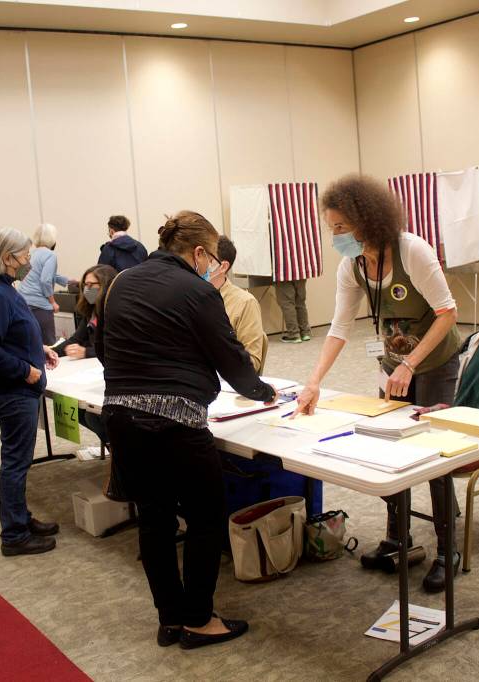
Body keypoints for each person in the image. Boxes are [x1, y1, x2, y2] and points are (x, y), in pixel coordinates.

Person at [96, 211, 276, 650]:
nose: (214, 265)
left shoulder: (120, 282)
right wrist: (266, 393)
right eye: (213, 257)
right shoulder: (199, 291)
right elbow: (234, 363)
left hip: (120, 417)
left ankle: (170, 619)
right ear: (199, 253)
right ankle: (199, 619)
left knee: (154, 519)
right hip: (175, 424)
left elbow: (104, 349)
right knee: (204, 518)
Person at [293, 174, 463, 594]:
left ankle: (447, 551)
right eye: (331, 227)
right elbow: (338, 328)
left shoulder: (412, 251)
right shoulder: (351, 265)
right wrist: (313, 381)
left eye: (339, 227)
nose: (335, 236)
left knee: (433, 455)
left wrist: (411, 365)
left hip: (435, 361)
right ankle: (397, 540)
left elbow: (447, 313)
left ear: (366, 221)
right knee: (389, 448)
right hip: (392, 364)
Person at [0, 227, 62, 556]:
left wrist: (38, 349)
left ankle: (21, 518)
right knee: (16, 462)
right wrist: (27, 370)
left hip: (15, 383)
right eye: (24, 256)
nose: (28, 261)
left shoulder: (3, 289)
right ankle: (14, 534)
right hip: (10, 389)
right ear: (7, 258)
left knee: (17, 460)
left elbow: (10, 333)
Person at [50, 264, 117, 459]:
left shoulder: (115, 311)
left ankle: (119, 450)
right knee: (78, 410)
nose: (87, 289)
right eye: (85, 284)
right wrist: (51, 352)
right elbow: (74, 340)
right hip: (92, 375)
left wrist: (86, 352)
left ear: (105, 285)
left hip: (109, 376)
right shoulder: (91, 312)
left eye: (92, 284)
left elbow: (114, 347)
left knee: (90, 414)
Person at [206, 236, 266, 372]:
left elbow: (253, 362)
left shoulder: (244, 303)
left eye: (207, 260)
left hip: (223, 380)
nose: (199, 266)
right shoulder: (189, 296)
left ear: (223, 266)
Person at [17, 223, 73, 346]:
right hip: (40, 305)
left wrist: (67, 281)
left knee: (33, 342)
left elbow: (37, 274)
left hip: (24, 301)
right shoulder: (50, 255)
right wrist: (52, 302)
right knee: (49, 343)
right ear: (52, 239)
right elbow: (45, 280)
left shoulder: (31, 254)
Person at [275, 277, 310, 344]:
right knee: (300, 302)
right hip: (300, 271)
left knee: (287, 302)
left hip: (284, 272)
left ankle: (294, 334)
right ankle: (305, 333)